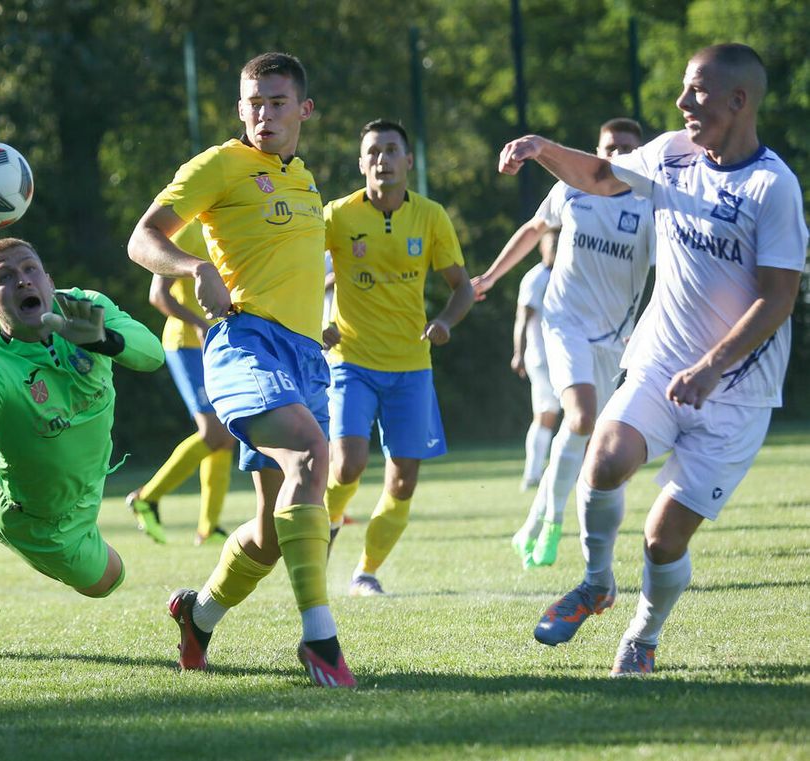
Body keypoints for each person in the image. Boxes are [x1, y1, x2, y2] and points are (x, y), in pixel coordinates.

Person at [500, 43, 807, 675]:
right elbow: (600, 176)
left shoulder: (772, 186)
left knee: (664, 539)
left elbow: (780, 297)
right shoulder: (670, 153)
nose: (681, 102)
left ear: (738, 100)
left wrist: (714, 365)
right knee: (605, 459)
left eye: (696, 91)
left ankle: (642, 637)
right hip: (662, 363)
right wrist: (541, 149)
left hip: (737, 393)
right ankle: (594, 582)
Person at [127, 52, 355, 687]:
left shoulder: (306, 180)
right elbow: (142, 238)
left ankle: (197, 616)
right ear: (240, 109)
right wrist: (195, 267)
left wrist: (319, 327)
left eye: (278, 102)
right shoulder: (220, 164)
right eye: (254, 103)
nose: (264, 114)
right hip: (243, 344)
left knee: (270, 531)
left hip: (304, 356)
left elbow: (292, 269)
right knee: (313, 456)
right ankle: (320, 641)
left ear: (304, 110)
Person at [0, 237, 164, 597]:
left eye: (29, 269)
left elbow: (153, 356)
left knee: (27, 440)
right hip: (38, 516)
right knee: (107, 581)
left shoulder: (84, 309)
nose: (22, 280)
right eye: (4, 277)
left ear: (50, 282)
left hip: (75, 470)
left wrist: (104, 340)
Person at [473, 117, 655, 568]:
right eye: (609, 147)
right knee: (580, 416)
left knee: (588, 434)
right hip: (563, 323)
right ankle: (553, 520)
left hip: (615, 338)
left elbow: (671, 277)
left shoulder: (651, 206)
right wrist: (493, 276)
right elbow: (535, 229)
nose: (617, 156)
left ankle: (532, 523)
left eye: (628, 149)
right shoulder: (572, 188)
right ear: (596, 150)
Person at [322, 119, 474, 596]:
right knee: (348, 464)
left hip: (412, 366)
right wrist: (316, 323)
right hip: (350, 359)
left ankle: (365, 571)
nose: (382, 159)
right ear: (361, 163)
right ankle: (323, 530)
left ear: (409, 161)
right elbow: (303, 273)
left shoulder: (430, 217)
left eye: (392, 150)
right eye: (373, 152)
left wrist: (446, 321)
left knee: (404, 479)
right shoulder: (338, 216)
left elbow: (462, 287)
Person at [125, 219, 235, 546]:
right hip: (185, 345)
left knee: (226, 436)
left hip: (216, 344)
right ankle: (147, 496)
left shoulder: (232, 223)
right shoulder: (182, 230)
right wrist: (199, 323)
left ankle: (209, 527)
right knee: (213, 433)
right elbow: (157, 296)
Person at [513, 230, 560, 491]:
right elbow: (523, 319)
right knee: (547, 414)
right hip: (543, 358)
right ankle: (533, 474)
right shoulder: (535, 278)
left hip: (564, 356)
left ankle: (548, 472)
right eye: (551, 243)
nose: (555, 248)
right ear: (541, 247)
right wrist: (518, 353)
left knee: (555, 415)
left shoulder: (568, 275)